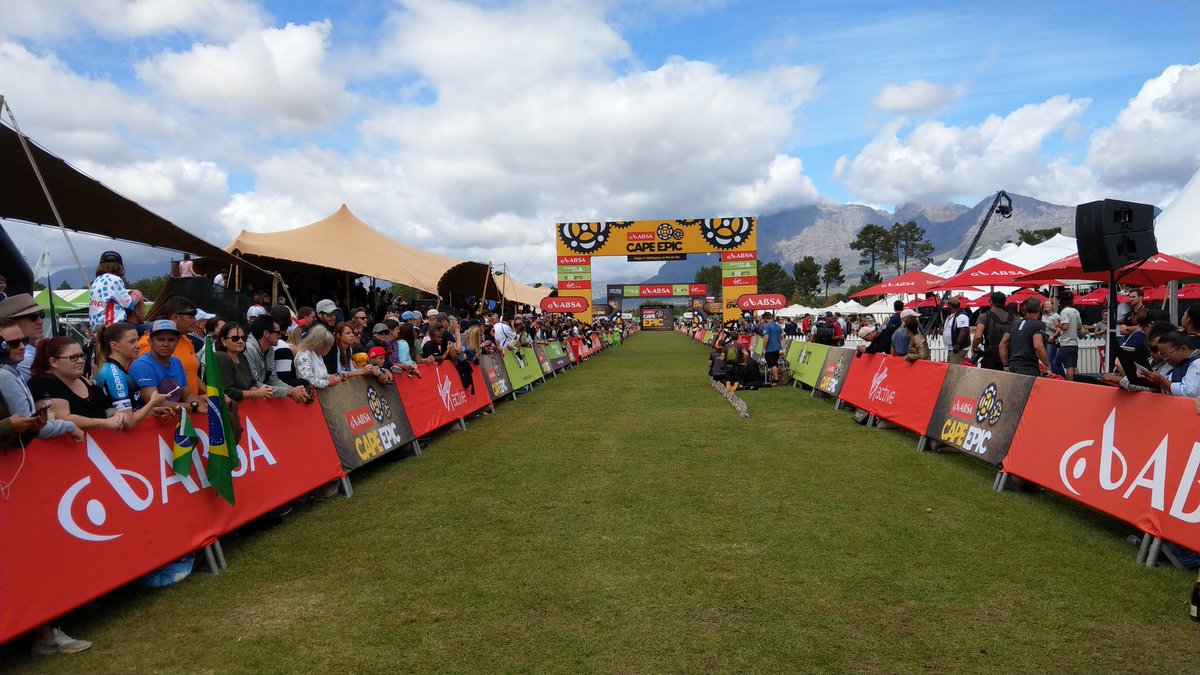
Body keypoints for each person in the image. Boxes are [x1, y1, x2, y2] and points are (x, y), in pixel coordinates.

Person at [0, 319, 83, 443]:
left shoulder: (12, 372)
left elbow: (28, 427)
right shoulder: (5, 375)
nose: (22, 347)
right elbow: (26, 423)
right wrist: (68, 426)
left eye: (24, 341)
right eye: (14, 343)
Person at [28, 337, 124, 432]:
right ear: (53, 362)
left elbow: (107, 408)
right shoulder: (43, 382)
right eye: (73, 357)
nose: (81, 361)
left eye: (82, 356)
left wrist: (117, 415)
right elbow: (61, 419)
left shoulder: (83, 380)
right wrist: (105, 423)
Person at [94, 322, 169, 426]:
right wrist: (152, 403)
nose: (138, 345)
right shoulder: (114, 374)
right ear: (114, 345)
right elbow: (128, 423)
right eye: (132, 341)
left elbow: (129, 412)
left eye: (137, 340)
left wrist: (150, 411)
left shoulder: (117, 369)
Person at [130, 320, 206, 416]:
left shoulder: (177, 362)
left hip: (173, 419)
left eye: (171, 340)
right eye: (161, 340)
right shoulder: (142, 365)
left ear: (177, 342)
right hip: (149, 425)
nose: (166, 344)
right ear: (150, 341)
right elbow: (155, 403)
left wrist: (204, 406)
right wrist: (194, 407)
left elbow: (187, 395)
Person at [137, 296, 202, 397]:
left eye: (171, 340)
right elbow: (149, 393)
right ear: (175, 317)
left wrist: (212, 395)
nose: (195, 321)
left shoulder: (187, 341)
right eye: (191, 316)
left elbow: (191, 374)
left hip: (188, 408)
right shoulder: (149, 343)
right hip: (165, 409)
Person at [244, 316, 309, 403]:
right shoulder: (248, 350)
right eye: (277, 332)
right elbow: (255, 384)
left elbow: (273, 379)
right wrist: (290, 391)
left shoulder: (270, 349)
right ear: (266, 333)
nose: (280, 335)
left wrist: (294, 390)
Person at [213, 322, 273, 404]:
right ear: (223, 340)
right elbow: (226, 391)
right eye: (235, 338)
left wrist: (255, 389)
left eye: (243, 338)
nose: (241, 341)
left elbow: (252, 382)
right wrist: (255, 393)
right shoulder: (221, 356)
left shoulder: (243, 357)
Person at [88, 251, 142, 333]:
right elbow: (129, 304)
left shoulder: (96, 282)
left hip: (98, 329)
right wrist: (138, 294)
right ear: (120, 267)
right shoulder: (114, 279)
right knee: (148, 330)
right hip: (113, 326)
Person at [999, 297, 1051, 377]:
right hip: (1028, 367)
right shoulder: (1039, 325)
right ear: (1040, 309)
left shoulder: (1014, 324)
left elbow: (1002, 345)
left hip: (1013, 364)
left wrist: (1005, 365)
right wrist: (1047, 366)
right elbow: (1038, 346)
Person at [0, 293, 46, 381]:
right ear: (11, 322)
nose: (40, 321)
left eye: (41, 315)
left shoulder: (31, 350)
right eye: (33, 317)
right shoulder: (22, 357)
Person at [1142, 331, 1200, 397]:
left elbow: (1190, 392)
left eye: (1167, 355)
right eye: (1162, 356)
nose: (1165, 359)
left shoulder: (1197, 363)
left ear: (1184, 349)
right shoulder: (1180, 365)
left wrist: (1161, 381)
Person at [294, 324, 344, 390]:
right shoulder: (304, 356)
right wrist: (328, 383)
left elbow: (320, 375)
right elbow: (307, 380)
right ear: (322, 346)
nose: (330, 349)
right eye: (329, 346)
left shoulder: (318, 355)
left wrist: (333, 377)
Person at [971, 292, 1012, 371]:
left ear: (990, 301)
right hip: (1008, 357)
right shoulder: (1013, 317)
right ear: (1004, 302)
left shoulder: (984, 316)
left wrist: (973, 348)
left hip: (990, 357)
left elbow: (978, 337)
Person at [1054, 291, 1082, 381]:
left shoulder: (1064, 312)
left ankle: (1071, 386)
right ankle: (1078, 384)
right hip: (1074, 343)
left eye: (1059, 299)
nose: (1058, 301)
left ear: (1062, 301)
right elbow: (1079, 327)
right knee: (1074, 366)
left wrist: (1057, 324)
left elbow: (1065, 327)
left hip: (1066, 343)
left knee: (1068, 367)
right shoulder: (1076, 311)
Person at [942, 297, 972, 365]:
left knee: (954, 367)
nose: (946, 306)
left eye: (948, 304)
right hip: (952, 347)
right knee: (949, 365)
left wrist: (958, 344)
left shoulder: (961, 316)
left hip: (959, 347)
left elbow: (964, 330)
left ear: (951, 306)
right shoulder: (951, 315)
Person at [760, 312, 783, 384]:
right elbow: (782, 336)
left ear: (765, 318)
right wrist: (777, 341)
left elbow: (766, 337)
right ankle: (774, 379)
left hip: (770, 348)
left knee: (772, 364)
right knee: (775, 363)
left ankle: (776, 380)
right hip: (778, 348)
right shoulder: (777, 325)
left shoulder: (766, 326)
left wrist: (763, 348)